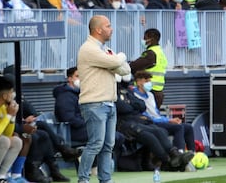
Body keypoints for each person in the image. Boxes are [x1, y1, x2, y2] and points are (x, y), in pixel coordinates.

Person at [77, 15, 130, 183]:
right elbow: (118, 61)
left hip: (109, 103)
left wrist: (116, 61)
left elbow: (125, 71)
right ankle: (83, 179)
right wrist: (121, 56)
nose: (111, 28)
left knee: (107, 146)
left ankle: (105, 180)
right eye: (108, 26)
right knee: (95, 144)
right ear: (98, 29)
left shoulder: (103, 50)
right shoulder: (89, 49)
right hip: (94, 104)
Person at [116, 75, 194, 171]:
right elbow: (123, 108)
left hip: (138, 120)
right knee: (149, 136)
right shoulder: (113, 92)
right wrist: (132, 106)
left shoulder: (128, 91)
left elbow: (141, 105)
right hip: (124, 124)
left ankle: (175, 155)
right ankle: (167, 161)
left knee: (159, 131)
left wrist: (130, 105)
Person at [133, 71, 196, 153]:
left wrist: (168, 120)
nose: (149, 83)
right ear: (138, 82)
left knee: (188, 127)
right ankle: (180, 154)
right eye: (146, 81)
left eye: (149, 81)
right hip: (150, 123)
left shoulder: (151, 95)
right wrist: (168, 120)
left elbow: (156, 113)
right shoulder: (134, 96)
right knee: (178, 128)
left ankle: (193, 154)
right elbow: (147, 117)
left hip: (159, 120)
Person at [130, 28, 168, 108]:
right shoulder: (160, 53)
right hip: (158, 92)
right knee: (154, 116)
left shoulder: (150, 54)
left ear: (151, 39)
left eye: (145, 38)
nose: (143, 40)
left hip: (147, 91)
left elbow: (133, 66)